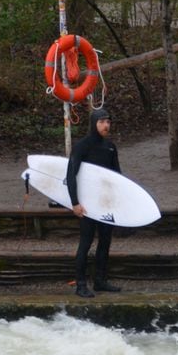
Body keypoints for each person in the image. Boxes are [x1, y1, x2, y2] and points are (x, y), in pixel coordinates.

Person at [68, 107, 122, 297]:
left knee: (105, 242)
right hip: (87, 204)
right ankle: (81, 285)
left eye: (108, 122)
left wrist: (117, 203)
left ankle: (100, 281)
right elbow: (70, 175)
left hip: (105, 203)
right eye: (102, 122)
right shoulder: (82, 146)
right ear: (93, 123)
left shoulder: (110, 147)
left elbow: (117, 177)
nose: (106, 125)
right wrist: (75, 203)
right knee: (86, 243)